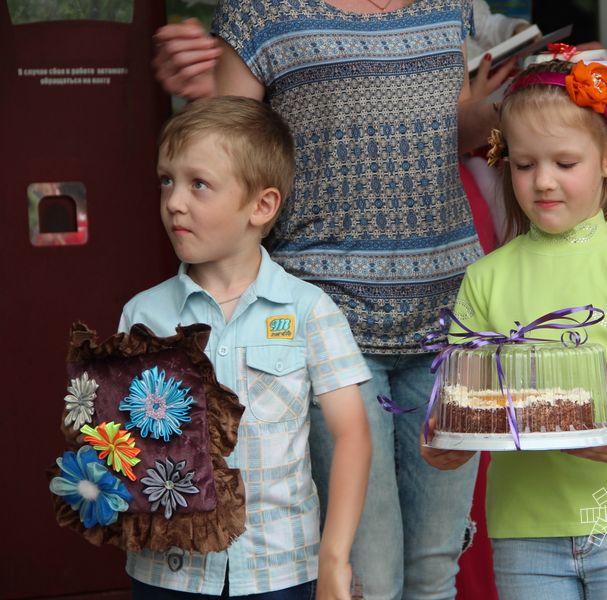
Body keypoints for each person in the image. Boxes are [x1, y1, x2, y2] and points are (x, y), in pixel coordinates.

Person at [150, 2, 514, 598]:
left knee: (435, 568)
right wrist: (197, 94)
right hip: (328, 323)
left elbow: (451, 126)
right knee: (365, 575)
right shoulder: (259, 14)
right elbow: (229, 157)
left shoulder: (447, 6)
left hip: (454, 322)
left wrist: (516, 109)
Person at [422, 59, 607, 599]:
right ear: (505, 162)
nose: (543, 181)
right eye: (524, 165)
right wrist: (445, 438)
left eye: (565, 162)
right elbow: (460, 397)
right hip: (526, 526)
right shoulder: (485, 276)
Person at [119, 96, 372, 599]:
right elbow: (121, 441)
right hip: (169, 570)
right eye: (167, 180)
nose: (174, 201)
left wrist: (334, 559)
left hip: (280, 569)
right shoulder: (143, 315)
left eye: (199, 184)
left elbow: (353, 437)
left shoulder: (307, 310)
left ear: (262, 205)